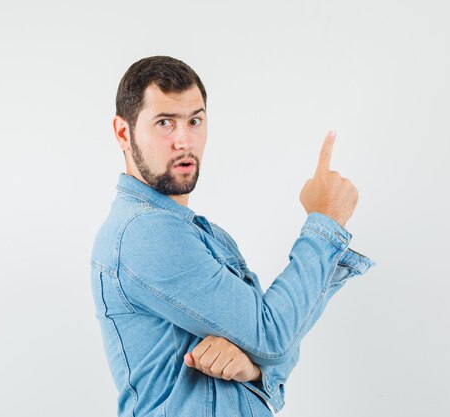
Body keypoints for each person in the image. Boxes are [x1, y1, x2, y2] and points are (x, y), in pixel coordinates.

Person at [90, 55, 375, 417]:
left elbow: (279, 338)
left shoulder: (204, 235)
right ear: (122, 133)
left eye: (195, 121)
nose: (184, 140)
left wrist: (255, 368)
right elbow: (274, 335)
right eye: (164, 123)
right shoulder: (143, 232)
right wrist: (325, 222)